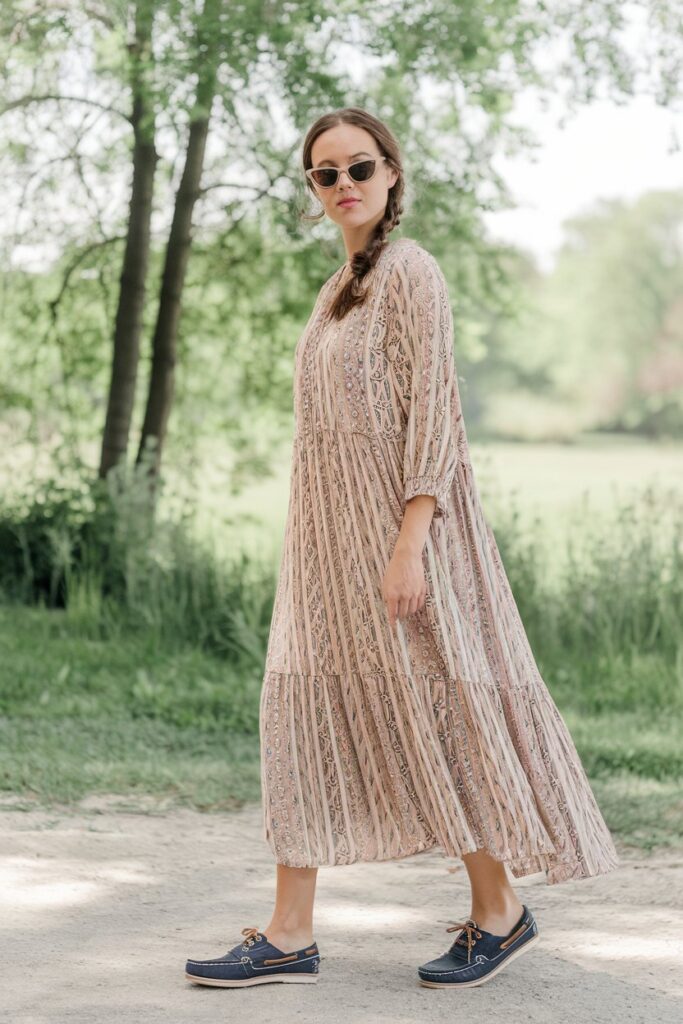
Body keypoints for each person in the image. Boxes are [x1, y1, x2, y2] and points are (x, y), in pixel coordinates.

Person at [185, 107, 620, 991]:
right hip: (324, 545)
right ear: (311, 192)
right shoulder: (338, 283)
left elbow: (435, 418)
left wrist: (409, 543)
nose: (342, 184)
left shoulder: (411, 272)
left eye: (357, 167)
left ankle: (498, 910)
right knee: (299, 707)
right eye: (323, 174)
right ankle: (288, 931)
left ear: (391, 175)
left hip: (402, 538)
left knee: (436, 712)